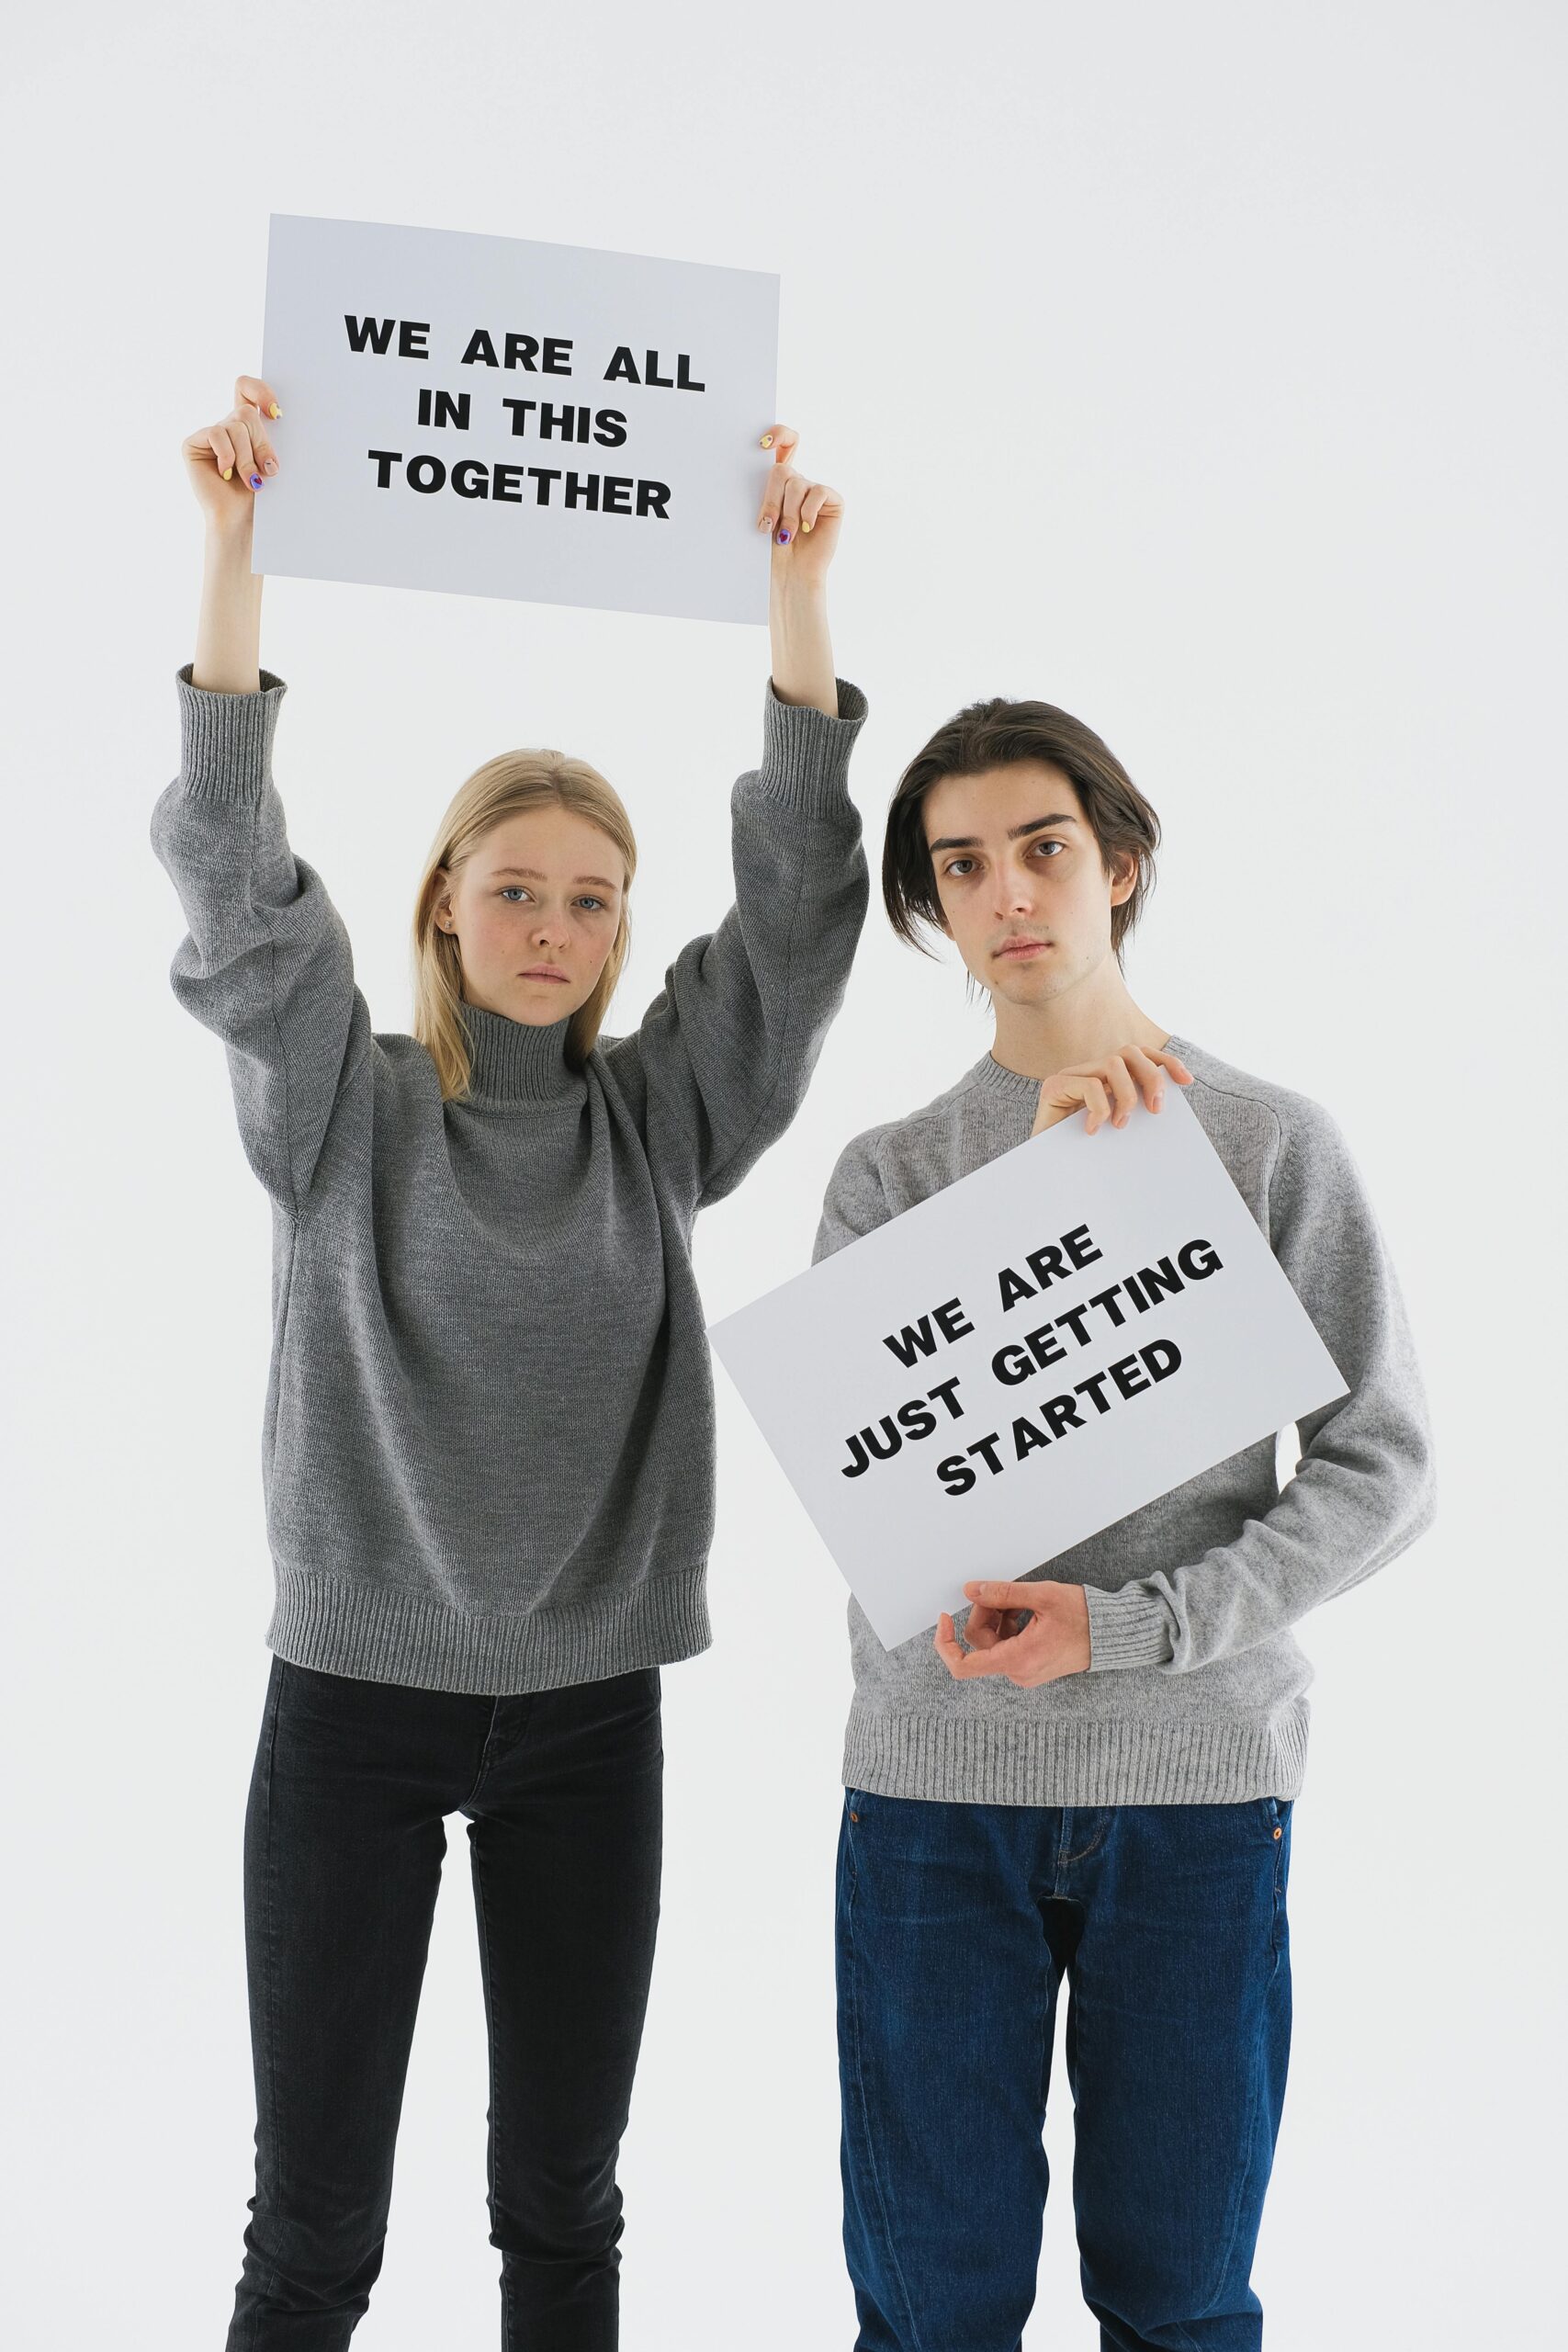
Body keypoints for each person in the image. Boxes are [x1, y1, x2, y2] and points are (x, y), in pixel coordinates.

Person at [150, 371, 870, 2352]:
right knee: (315, 2225)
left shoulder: (662, 1120)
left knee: (560, 2206)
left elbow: (801, 925)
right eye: (514, 888)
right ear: (443, 910)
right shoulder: (338, 1108)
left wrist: (794, 605)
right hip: (352, 1709)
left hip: (586, 1721)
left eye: (590, 896)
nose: (552, 925)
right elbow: (233, 885)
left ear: (624, 930)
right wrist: (234, 562)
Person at [811, 692, 1437, 2351]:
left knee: (1177, 2301)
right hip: (940, 1792)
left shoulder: (1272, 1144)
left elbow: (1385, 1462)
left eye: (1044, 850)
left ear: (1121, 866)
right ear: (933, 910)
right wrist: (1051, 1192)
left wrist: (1144, 1626)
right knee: (930, 2309)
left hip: (1200, 1792)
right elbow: (885, 1486)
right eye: (962, 866)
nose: (1008, 893)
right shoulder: (889, 1175)